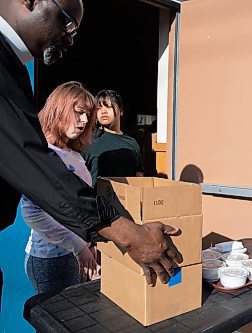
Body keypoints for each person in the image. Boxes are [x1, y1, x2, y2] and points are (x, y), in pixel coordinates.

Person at [0, 0, 181, 307]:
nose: (71, 39)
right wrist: (127, 234)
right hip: (53, 255)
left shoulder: (11, 65)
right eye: (68, 23)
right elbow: (36, 170)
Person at [23, 81, 98, 293]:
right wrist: (77, 245)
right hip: (49, 258)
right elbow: (32, 212)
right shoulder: (43, 152)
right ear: (59, 109)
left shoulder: (73, 154)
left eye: (87, 115)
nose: (84, 121)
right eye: (79, 112)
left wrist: (87, 244)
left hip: (75, 253)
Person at [82, 90, 144, 187]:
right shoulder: (89, 140)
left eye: (109, 106)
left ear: (121, 110)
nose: (103, 111)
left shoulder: (131, 143)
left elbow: (139, 176)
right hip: (97, 200)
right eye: (99, 108)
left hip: (127, 199)